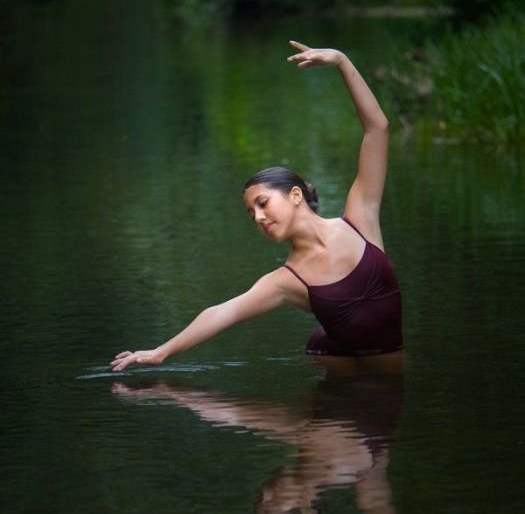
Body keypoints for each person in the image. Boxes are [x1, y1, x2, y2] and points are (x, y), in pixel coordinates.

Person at [111, 40, 402, 373]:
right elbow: (224, 312)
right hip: (337, 363)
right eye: (252, 214)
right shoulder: (286, 281)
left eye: (262, 204)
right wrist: (161, 351)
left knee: (382, 406)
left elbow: (377, 129)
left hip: (390, 359)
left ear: (295, 195)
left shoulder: (360, 220)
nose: (259, 218)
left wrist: (342, 61)